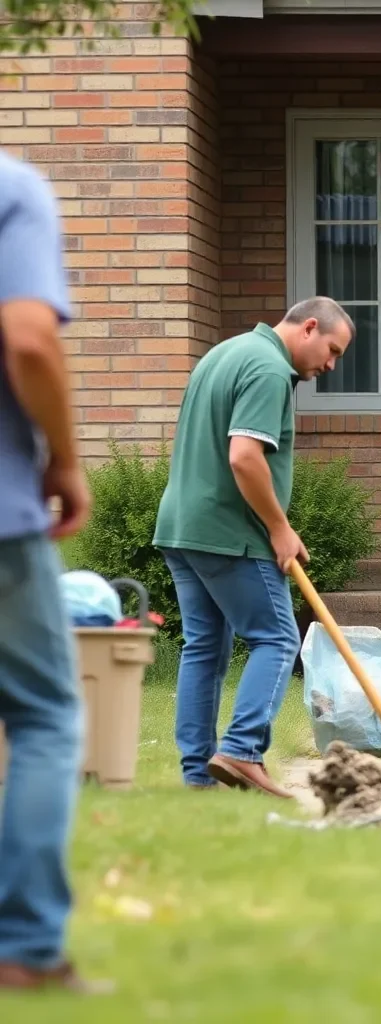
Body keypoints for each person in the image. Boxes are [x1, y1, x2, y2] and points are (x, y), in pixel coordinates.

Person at [153, 298, 354, 798]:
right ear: (309, 327)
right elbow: (244, 457)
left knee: (204, 648)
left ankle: (199, 773)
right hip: (229, 534)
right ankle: (242, 751)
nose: (329, 365)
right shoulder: (268, 368)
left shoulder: (226, 352)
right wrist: (279, 527)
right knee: (278, 638)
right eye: (331, 350)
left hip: (182, 525)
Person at [0, 153, 94, 990]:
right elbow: (28, 337)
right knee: (45, 715)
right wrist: (65, 461)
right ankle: (26, 950)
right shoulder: (11, 188)